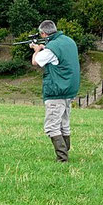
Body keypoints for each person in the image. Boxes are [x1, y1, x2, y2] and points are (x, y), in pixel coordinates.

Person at [30, 20, 80, 162]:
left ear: (43, 33)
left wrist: (37, 50)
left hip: (57, 89)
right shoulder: (69, 41)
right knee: (64, 123)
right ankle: (66, 152)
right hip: (69, 89)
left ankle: (62, 158)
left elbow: (36, 61)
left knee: (51, 126)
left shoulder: (52, 48)